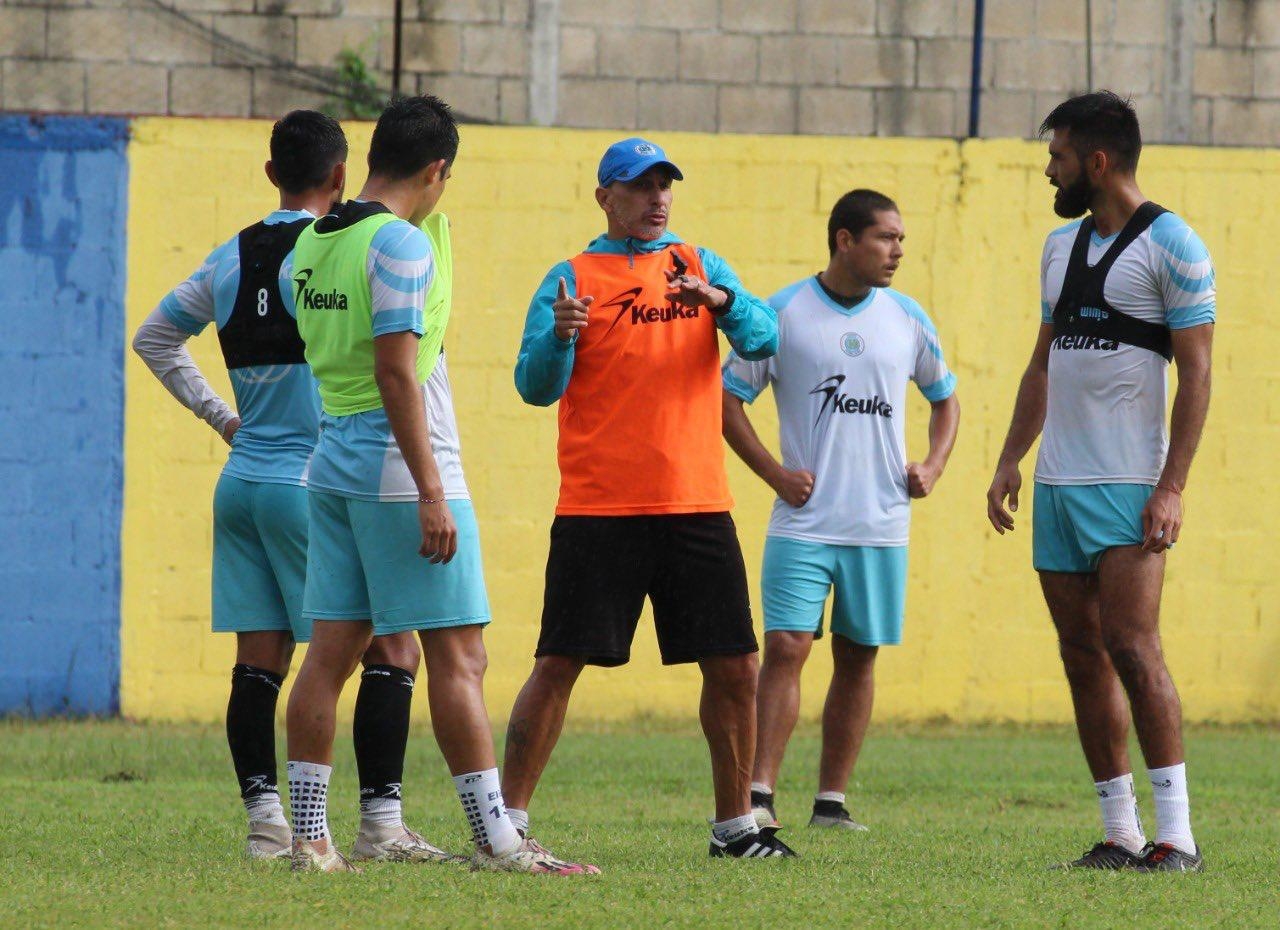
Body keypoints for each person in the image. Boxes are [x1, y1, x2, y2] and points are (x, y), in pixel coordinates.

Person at [281, 95, 592, 875]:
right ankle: (497, 839)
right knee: (460, 657)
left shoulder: (311, 244)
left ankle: (310, 839)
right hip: (399, 468)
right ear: (436, 171)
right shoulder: (401, 246)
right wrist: (429, 489)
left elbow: (340, 357)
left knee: (328, 655)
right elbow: (395, 369)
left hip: (333, 464)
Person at [132, 110, 436, 863]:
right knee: (392, 646)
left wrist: (221, 418)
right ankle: (380, 826)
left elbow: (153, 337)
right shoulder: (332, 251)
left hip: (243, 483)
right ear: (341, 177)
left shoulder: (230, 256)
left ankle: (267, 826)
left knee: (259, 657)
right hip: (313, 481)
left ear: (272, 173)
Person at [507, 137, 794, 861]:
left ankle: (735, 828)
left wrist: (721, 302)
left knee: (734, 665)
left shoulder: (697, 263)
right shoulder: (571, 277)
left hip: (695, 503)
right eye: (640, 187)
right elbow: (535, 386)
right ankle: (506, 822)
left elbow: (766, 336)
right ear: (606, 196)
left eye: (665, 186)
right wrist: (561, 338)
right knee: (558, 663)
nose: (657, 198)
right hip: (599, 508)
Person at [986, 92, 1214, 873]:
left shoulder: (1174, 245)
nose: (1049, 169)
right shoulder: (1058, 248)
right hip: (1058, 486)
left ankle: (1176, 836)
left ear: (1097, 162)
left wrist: (1172, 485)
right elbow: (1043, 362)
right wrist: (1011, 457)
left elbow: (1199, 375)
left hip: (1128, 486)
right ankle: (1119, 831)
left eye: (1057, 156)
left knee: (1133, 647)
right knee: (1081, 653)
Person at [722, 189, 960, 834]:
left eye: (902, 240)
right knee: (788, 647)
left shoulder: (906, 318)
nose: (898, 252)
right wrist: (774, 473)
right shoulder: (781, 314)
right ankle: (760, 795)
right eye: (886, 238)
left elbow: (945, 398)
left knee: (860, 655)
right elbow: (727, 401)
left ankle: (831, 803)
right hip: (804, 524)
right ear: (844, 239)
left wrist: (933, 465)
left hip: (881, 525)